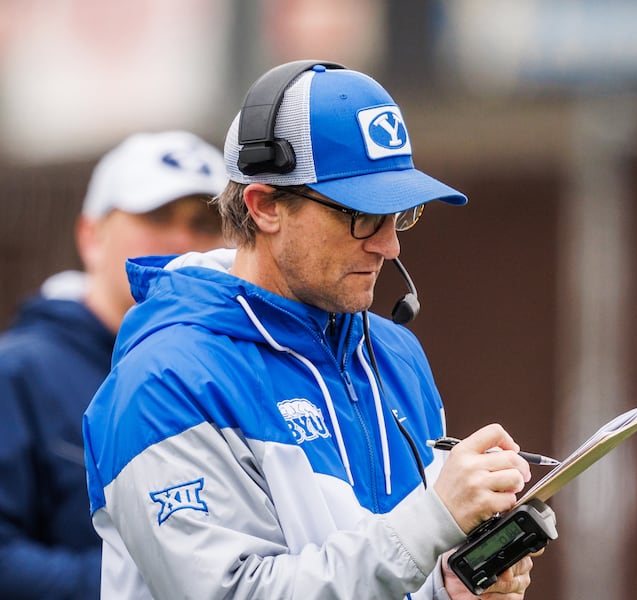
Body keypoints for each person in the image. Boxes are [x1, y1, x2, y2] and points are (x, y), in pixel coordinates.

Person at [83, 61, 537, 599]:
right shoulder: (162, 381)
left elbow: (391, 572)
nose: (389, 246)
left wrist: (450, 588)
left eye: (401, 214)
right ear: (266, 205)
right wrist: (433, 519)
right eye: (362, 215)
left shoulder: (394, 351)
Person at [0, 130, 227, 599]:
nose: (182, 241)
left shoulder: (239, 371)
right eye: (158, 215)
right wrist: (149, 582)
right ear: (91, 235)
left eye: (205, 224)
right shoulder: (18, 374)